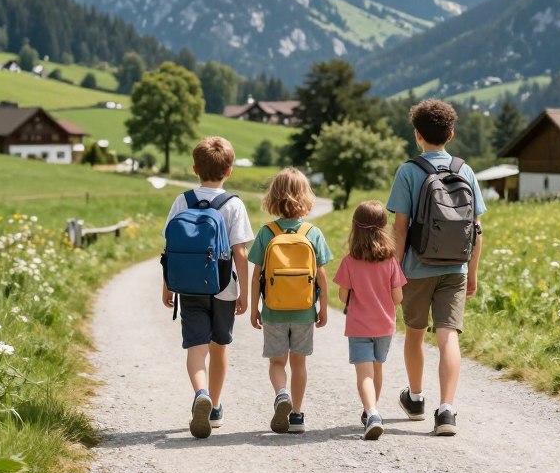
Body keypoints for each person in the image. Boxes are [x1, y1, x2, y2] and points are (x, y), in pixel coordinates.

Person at [387, 99, 486, 436]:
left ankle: (415, 400)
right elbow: (476, 229)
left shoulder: (409, 171)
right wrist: (471, 273)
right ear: (452, 134)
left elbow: (400, 229)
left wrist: (394, 272)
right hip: (455, 269)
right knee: (448, 336)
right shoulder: (465, 170)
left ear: (418, 135)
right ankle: (447, 410)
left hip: (416, 267)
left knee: (415, 334)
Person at [162, 136, 253, 439]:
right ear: (229, 170)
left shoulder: (182, 201)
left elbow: (171, 247)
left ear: (194, 169)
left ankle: (199, 392)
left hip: (189, 287)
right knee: (219, 346)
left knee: (196, 347)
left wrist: (168, 285)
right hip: (224, 289)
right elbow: (240, 252)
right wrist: (244, 294)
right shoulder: (233, 204)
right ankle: (214, 407)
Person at [249, 168, 332, 434]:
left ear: (273, 197)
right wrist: (323, 310)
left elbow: (256, 276)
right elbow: (321, 277)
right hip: (304, 311)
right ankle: (296, 414)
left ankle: (281, 394)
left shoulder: (267, 232)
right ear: (306, 198)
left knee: (277, 363)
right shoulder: (312, 232)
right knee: (299, 363)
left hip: (273, 310)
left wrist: (254, 308)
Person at [333, 200, 406, 440]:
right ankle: (372, 410)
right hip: (384, 326)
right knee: (377, 368)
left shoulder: (349, 261)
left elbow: (342, 295)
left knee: (364, 374)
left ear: (355, 228)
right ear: (384, 228)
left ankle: (371, 412)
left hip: (358, 326)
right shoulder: (391, 261)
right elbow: (398, 298)